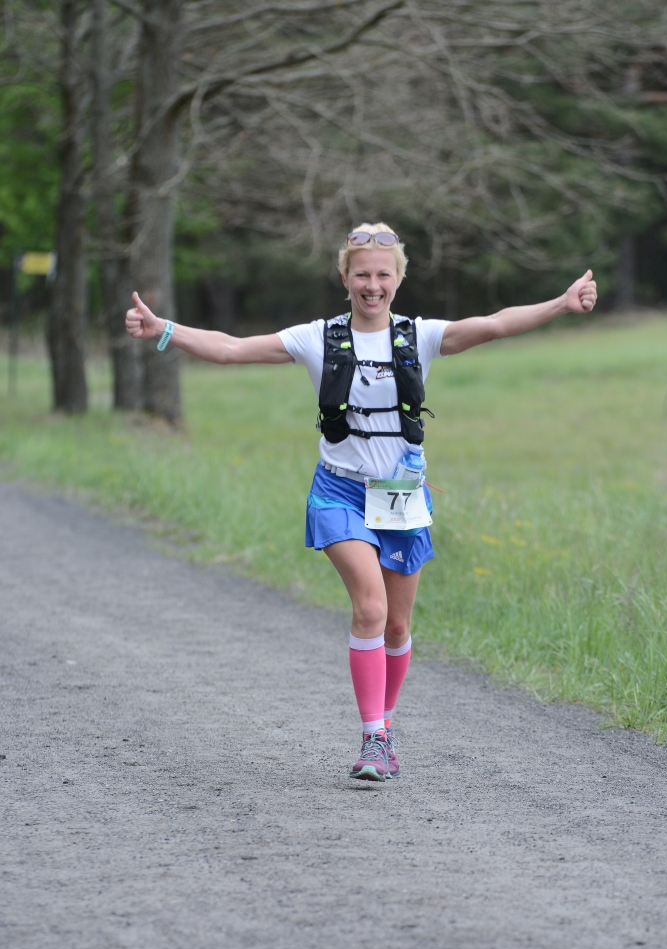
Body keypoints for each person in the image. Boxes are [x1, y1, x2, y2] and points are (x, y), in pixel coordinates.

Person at [125, 222, 598, 782]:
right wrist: (164, 330)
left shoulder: (419, 336)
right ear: (345, 277)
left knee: (396, 626)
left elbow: (494, 324)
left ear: (399, 278)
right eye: (362, 275)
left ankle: (386, 728)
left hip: (401, 496)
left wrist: (562, 304)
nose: (372, 285)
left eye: (383, 275)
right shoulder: (316, 338)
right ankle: (373, 738)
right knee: (369, 609)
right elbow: (230, 349)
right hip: (339, 492)